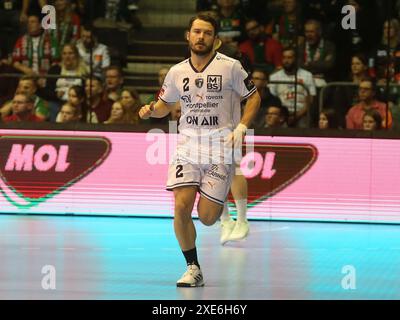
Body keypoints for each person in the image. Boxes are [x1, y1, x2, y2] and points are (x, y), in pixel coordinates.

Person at [138, 14, 260, 287]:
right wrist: (150, 111)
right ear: (188, 36)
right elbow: (164, 104)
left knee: (207, 218)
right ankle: (193, 267)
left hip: (220, 149)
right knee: (181, 207)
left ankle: (224, 193)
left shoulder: (231, 67)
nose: (200, 36)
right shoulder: (176, 72)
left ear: (215, 40)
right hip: (188, 147)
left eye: (207, 33)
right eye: (196, 31)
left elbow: (254, 98)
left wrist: (241, 126)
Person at [269, 47, 316, 128]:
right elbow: (272, 99)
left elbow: (310, 99)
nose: (286, 60)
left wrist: (298, 115)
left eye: (289, 57)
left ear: (296, 59)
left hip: (301, 113)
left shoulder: (307, 75)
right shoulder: (274, 77)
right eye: (284, 57)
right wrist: (283, 115)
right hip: (281, 113)